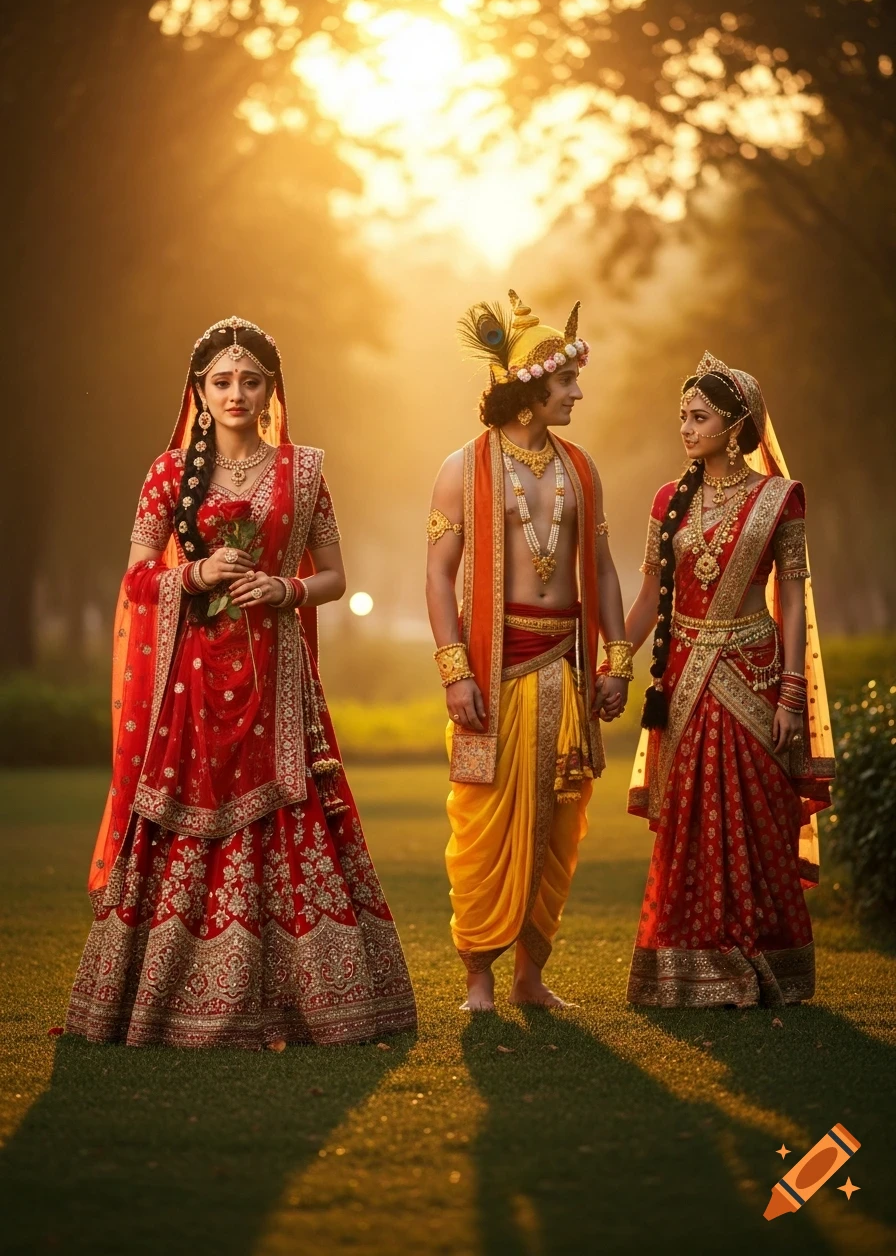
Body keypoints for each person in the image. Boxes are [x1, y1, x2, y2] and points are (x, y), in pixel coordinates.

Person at [66, 316, 416, 1048]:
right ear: (199, 390)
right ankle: (167, 1001)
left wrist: (284, 591)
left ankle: (309, 1003)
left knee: (292, 820)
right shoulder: (168, 473)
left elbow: (334, 579)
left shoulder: (305, 470)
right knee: (186, 819)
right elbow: (136, 579)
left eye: (250, 381)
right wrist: (192, 574)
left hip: (280, 683)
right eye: (222, 381)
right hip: (190, 688)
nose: (237, 393)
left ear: (270, 391)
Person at [426, 290, 632, 1011]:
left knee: (558, 828)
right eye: (566, 382)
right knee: (483, 822)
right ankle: (478, 975)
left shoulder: (581, 469)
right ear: (528, 392)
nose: (577, 393)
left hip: (564, 672)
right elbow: (437, 575)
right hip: (494, 668)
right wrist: (454, 672)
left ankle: (530, 976)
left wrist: (617, 660)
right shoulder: (463, 467)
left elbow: (602, 571)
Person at [623, 352, 835, 1008]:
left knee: (757, 815)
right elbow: (648, 598)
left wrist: (794, 693)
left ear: (738, 425)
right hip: (685, 681)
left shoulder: (781, 499)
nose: (685, 428)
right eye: (682, 416)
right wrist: (609, 659)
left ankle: (765, 963)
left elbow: (793, 599)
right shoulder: (668, 500)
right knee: (690, 820)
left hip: (756, 675)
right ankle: (690, 971)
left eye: (699, 417)